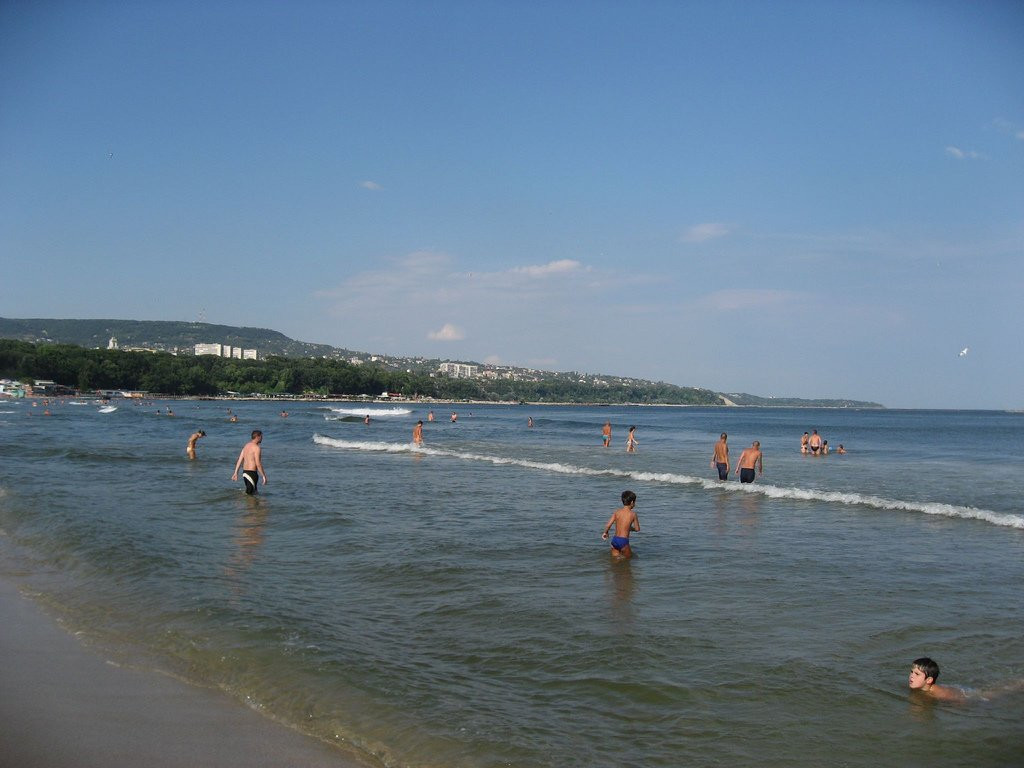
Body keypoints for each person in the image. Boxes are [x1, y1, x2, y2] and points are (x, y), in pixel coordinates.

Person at [601, 490, 640, 559]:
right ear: (632, 502)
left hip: (615, 540)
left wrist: (605, 533)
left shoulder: (617, 512)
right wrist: (630, 528)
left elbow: (608, 525)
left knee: (615, 561)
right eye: (635, 502)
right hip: (623, 541)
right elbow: (637, 529)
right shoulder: (633, 514)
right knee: (628, 560)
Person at [231, 430, 267, 495]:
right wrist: (263, 476)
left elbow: (240, 460)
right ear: (257, 437)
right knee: (250, 495)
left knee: (253, 493)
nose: (262, 438)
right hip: (251, 474)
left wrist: (236, 472)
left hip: (245, 473)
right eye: (261, 436)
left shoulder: (246, 446)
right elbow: (258, 464)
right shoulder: (257, 448)